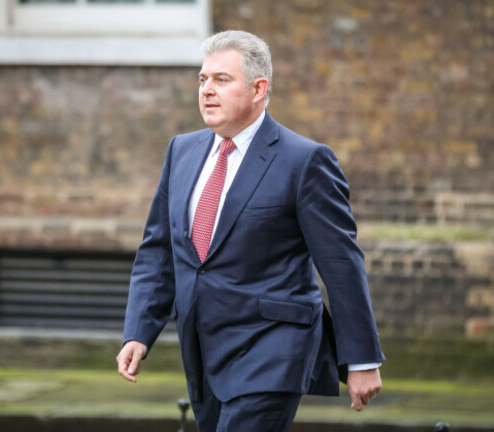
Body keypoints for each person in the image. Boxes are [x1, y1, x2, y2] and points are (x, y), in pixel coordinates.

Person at [116, 30, 385, 432]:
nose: (206, 90)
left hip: (273, 349)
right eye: (203, 79)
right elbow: (159, 250)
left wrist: (361, 359)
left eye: (221, 80)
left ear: (259, 89)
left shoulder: (305, 161)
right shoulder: (182, 151)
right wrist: (139, 330)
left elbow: (340, 262)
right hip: (203, 349)